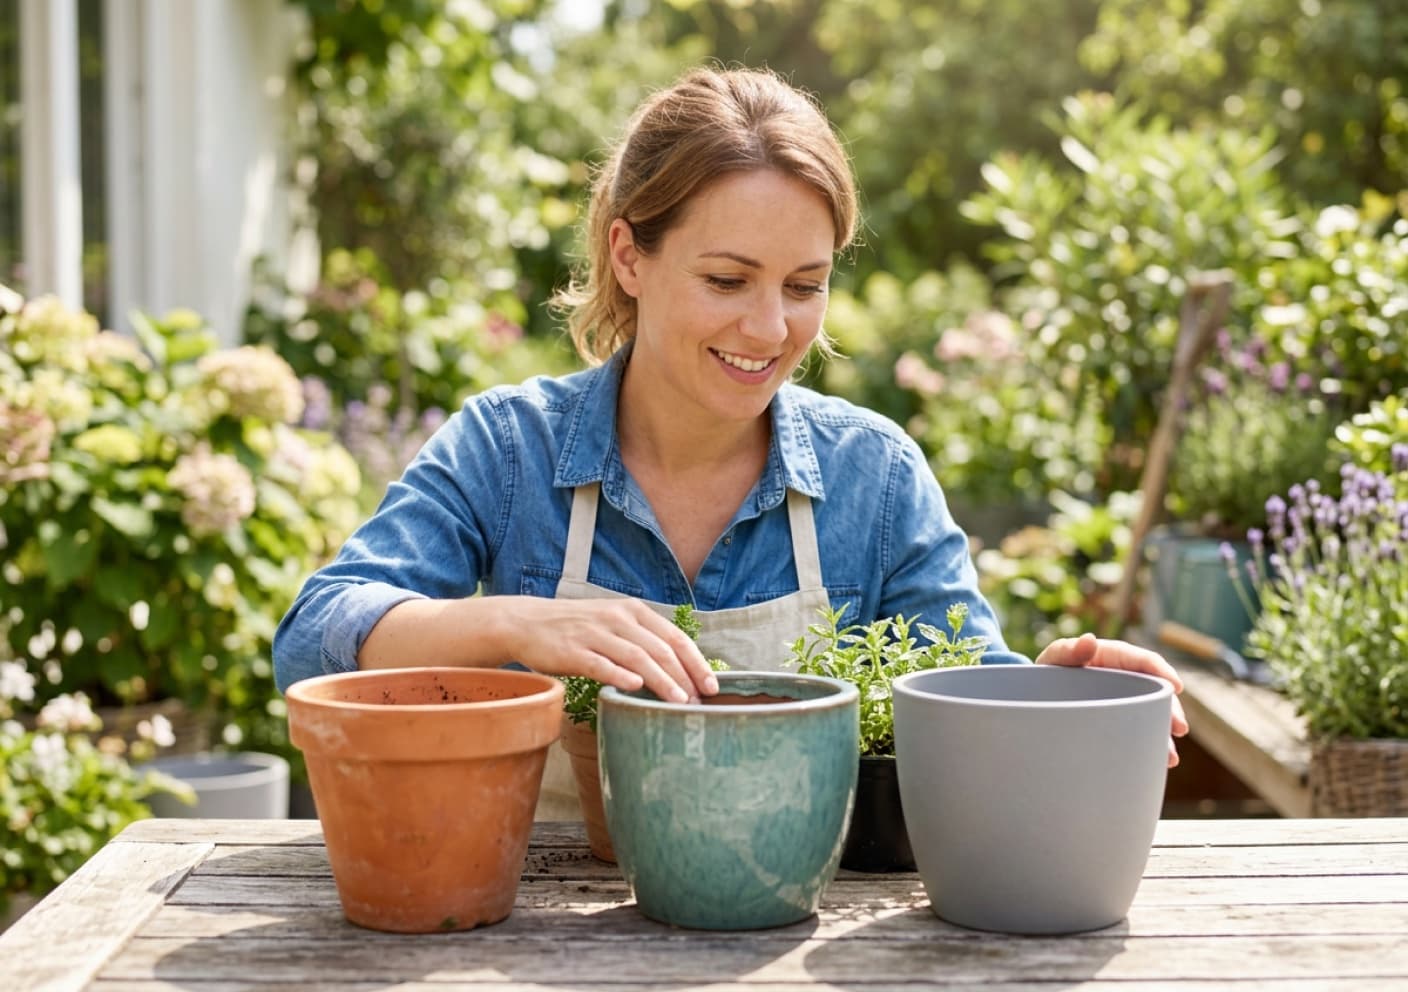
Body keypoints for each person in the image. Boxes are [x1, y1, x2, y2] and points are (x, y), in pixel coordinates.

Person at [273, 66, 1187, 768]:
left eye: (805, 287)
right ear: (630, 255)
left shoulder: (873, 475)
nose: (769, 328)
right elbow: (316, 636)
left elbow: (969, 702)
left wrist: (1059, 695)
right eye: (726, 279)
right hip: (536, 926)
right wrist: (513, 625)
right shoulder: (511, 448)